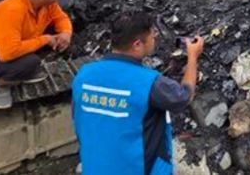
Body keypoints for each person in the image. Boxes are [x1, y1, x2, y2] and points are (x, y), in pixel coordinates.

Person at [72, 12, 204, 175]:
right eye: (152, 37)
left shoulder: (83, 75)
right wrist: (193, 57)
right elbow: (184, 97)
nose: (155, 39)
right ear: (137, 44)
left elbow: (79, 122)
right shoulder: (148, 82)